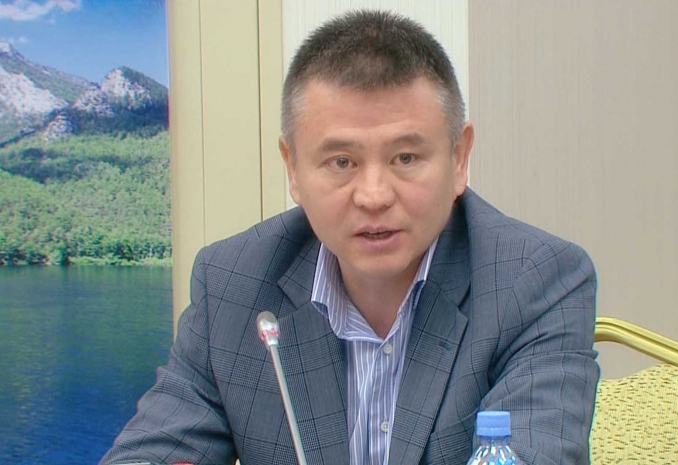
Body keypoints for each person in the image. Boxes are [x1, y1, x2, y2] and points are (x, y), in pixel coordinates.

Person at [101, 10, 599, 465]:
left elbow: (532, 453)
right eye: (342, 162)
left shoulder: (534, 281)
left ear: (459, 159)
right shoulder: (234, 283)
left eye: (405, 158)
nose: (374, 195)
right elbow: (154, 452)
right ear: (293, 168)